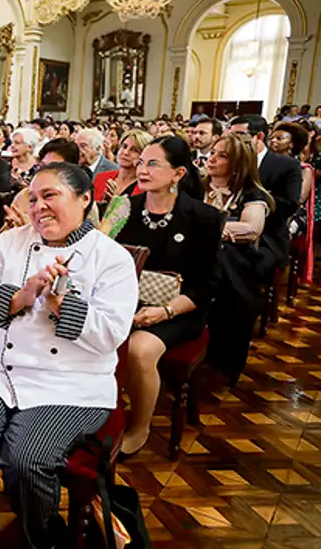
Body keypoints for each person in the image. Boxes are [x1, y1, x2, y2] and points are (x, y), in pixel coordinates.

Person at [0, 162, 138, 549]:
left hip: (70, 382)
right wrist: (22, 296)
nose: (38, 207)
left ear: (84, 199)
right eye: (32, 199)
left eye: (50, 196)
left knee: (27, 459)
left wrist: (60, 302)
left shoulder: (111, 258)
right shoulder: (10, 242)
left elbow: (112, 333)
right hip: (1, 372)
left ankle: (42, 538)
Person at [115, 136, 223, 455]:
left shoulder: (202, 217)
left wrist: (164, 312)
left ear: (178, 173)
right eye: (140, 163)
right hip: (126, 301)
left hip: (179, 309)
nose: (143, 169)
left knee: (139, 349)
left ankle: (139, 426)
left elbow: (207, 285)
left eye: (153, 163)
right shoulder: (123, 207)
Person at [203, 134, 275, 384]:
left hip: (234, 265)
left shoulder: (252, 194)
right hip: (197, 258)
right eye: (212, 152)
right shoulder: (198, 187)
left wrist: (211, 228)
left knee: (228, 278)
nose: (212, 158)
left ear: (238, 163)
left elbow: (251, 228)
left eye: (222, 155)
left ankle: (219, 362)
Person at [229, 115, 301, 276]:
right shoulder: (228, 161)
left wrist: (253, 204)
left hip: (268, 236)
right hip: (230, 231)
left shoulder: (286, 165)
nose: (233, 141)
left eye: (239, 135)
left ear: (259, 137)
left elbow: (289, 204)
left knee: (234, 263)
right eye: (230, 136)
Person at [93, 130, 152, 202]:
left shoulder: (146, 186)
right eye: (124, 146)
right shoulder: (101, 177)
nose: (125, 152)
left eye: (134, 150)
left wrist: (115, 203)